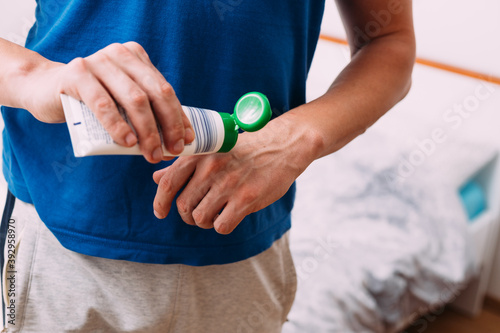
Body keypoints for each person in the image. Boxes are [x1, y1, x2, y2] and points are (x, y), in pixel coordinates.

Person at [0, 0, 415, 332]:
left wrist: (294, 138)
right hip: (59, 242)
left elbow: (389, 41)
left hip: (241, 249)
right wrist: (34, 76)